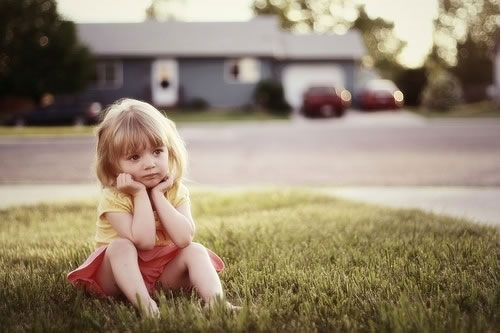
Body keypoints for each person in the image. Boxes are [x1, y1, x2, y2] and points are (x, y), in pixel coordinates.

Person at [67, 98, 237, 317]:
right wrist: (139, 194)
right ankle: (146, 305)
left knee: (196, 250)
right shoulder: (114, 197)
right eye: (134, 157)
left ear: (170, 151)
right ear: (113, 164)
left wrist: (158, 195)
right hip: (120, 276)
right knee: (120, 246)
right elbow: (144, 241)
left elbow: (184, 238)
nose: (149, 163)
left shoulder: (173, 190)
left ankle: (217, 303)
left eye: (157, 151)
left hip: (160, 274)